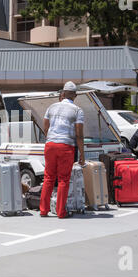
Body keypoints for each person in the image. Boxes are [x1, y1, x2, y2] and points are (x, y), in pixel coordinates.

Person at [40, 82, 85, 219]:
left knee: (48, 177)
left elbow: (46, 127)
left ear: (63, 94)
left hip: (50, 144)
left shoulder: (51, 107)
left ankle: (43, 210)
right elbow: (79, 134)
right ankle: (61, 212)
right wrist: (82, 153)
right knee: (63, 180)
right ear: (75, 96)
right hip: (66, 146)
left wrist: (52, 138)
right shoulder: (77, 110)